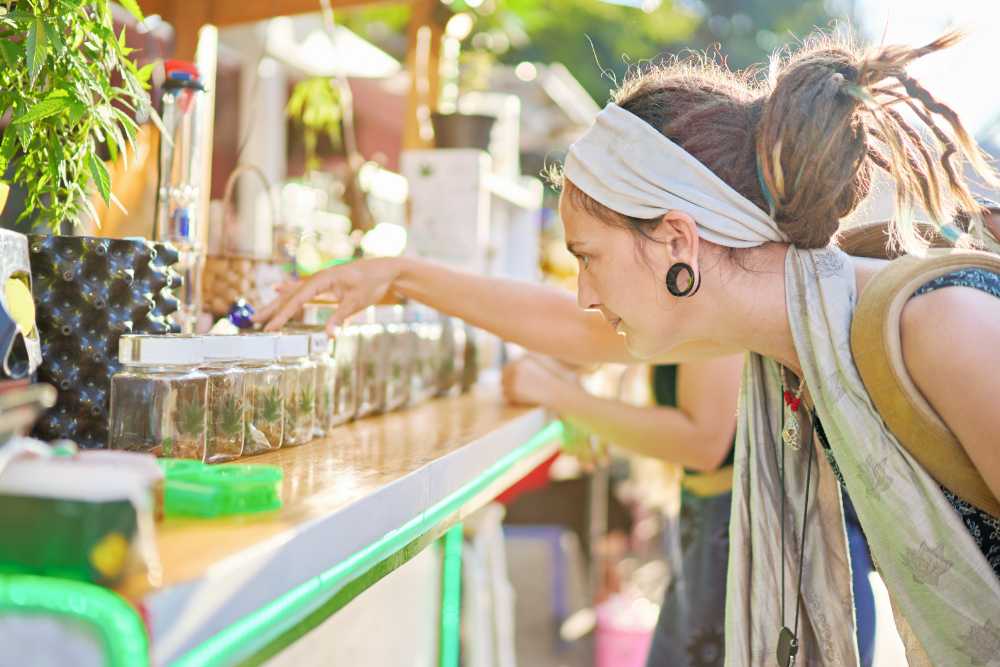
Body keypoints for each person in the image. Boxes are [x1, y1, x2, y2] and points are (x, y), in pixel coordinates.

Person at [257, 31, 1000, 666]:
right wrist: (402, 274)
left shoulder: (938, 327)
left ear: (678, 238)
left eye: (589, 256)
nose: (584, 291)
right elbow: (571, 327)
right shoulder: (791, 328)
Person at [503, 356, 877, 667]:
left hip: (775, 560)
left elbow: (702, 440)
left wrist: (564, 397)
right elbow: (586, 331)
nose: (585, 291)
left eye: (588, 262)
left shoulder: (716, 285)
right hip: (730, 551)